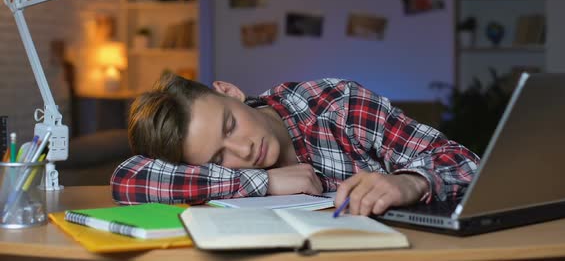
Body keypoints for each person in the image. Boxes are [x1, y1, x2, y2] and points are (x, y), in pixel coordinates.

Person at [111, 73, 479, 216]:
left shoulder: (336, 104)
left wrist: (408, 181)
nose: (243, 151)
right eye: (219, 158)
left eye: (230, 125)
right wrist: (265, 183)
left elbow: (465, 162)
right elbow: (127, 179)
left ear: (230, 92)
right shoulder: (225, 168)